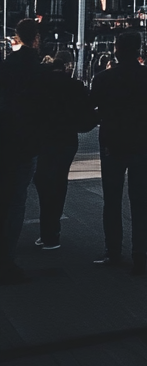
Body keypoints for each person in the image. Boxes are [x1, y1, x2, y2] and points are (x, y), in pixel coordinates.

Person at [91, 30, 147, 274]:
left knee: (112, 200)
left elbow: (91, 110)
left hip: (112, 144)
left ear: (116, 50)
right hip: (141, 143)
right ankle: (140, 253)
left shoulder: (103, 78)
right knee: (140, 199)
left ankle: (113, 251)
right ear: (138, 50)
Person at [33, 51, 95, 250]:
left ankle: (47, 230)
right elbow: (87, 116)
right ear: (67, 66)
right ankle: (53, 230)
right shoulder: (74, 86)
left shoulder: (38, 84)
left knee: (43, 182)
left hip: (42, 139)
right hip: (66, 140)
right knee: (59, 182)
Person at [0, 19, 45, 285]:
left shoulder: (6, 66)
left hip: (4, 137)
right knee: (16, 201)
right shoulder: (37, 68)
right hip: (25, 142)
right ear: (36, 38)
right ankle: (7, 260)